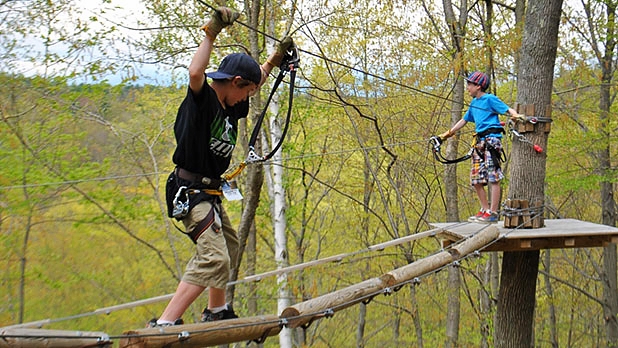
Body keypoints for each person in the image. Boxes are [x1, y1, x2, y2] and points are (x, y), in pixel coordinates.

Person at [148, 7, 294, 327]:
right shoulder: (205, 103)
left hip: (209, 191)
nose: (249, 98)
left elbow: (258, 77)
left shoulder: (231, 106)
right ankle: (165, 322)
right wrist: (211, 33)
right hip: (189, 191)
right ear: (235, 82)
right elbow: (195, 74)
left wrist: (275, 59)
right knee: (213, 257)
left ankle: (216, 310)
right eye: (248, 91)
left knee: (228, 245)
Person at [437, 71, 521, 224]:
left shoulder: (489, 99)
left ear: (478, 86)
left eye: (469, 84)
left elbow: (507, 109)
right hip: (479, 142)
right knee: (476, 179)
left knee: (493, 177)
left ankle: (493, 212)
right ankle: (485, 209)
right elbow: (463, 120)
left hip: (491, 140)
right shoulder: (474, 104)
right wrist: (447, 134)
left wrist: (515, 114)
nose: (467, 87)